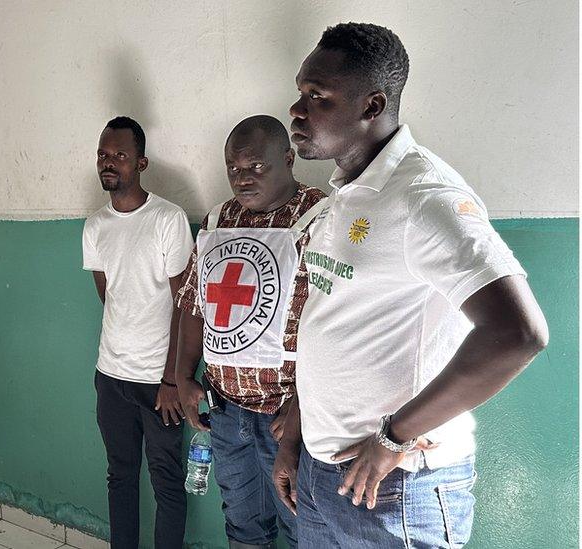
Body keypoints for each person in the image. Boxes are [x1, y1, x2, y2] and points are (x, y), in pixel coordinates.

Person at [272, 23, 549, 548]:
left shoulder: (424, 197)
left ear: (372, 105)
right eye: (300, 92)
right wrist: (296, 439)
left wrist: (391, 437)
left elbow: (518, 333)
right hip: (320, 473)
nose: (297, 110)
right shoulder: (344, 195)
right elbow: (333, 324)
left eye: (317, 96)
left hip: (396, 489)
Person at [175, 115, 325, 549]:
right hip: (225, 411)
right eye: (233, 168)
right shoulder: (218, 219)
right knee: (242, 528)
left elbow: (335, 329)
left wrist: (299, 411)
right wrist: (184, 377)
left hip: (289, 417)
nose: (242, 178)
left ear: (288, 158)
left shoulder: (321, 218)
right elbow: (193, 303)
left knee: (304, 528)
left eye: (255, 166)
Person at [82, 116, 193, 548]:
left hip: (158, 383)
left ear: (141, 162)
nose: (110, 163)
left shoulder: (167, 218)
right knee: (120, 476)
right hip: (110, 376)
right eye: (104, 155)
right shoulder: (96, 226)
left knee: (168, 482)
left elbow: (185, 307)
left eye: (120, 156)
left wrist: (171, 380)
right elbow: (109, 297)